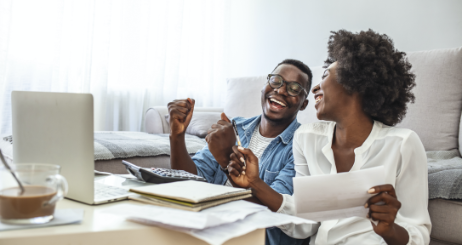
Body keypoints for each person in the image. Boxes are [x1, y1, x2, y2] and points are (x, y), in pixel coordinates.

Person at [227, 29, 431, 245]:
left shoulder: (403, 144)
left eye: (324, 75)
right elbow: (305, 223)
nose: (315, 88)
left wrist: (389, 231)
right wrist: (255, 184)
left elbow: (418, 233)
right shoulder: (306, 138)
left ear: (354, 83)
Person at [167, 59, 314, 244]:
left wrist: (226, 160)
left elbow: (276, 211)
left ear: (303, 104)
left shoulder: (303, 144)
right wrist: (176, 136)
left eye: (294, 88)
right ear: (264, 87)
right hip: (209, 229)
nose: (281, 90)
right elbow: (189, 179)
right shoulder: (235, 126)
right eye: (276, 81)